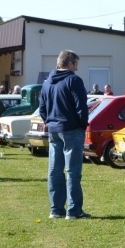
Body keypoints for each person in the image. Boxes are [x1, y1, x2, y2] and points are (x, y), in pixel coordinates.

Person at [38, 50, 91, 219]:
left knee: (55, 170)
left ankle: (56, 209)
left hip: (54, 129)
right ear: (69, 64)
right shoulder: (73, 80)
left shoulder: (47, 82)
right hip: (72, 129)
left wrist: (49, 122)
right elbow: (81, 106)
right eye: (75, 64)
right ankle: (74, 210)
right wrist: (82, 125)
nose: (76, 68)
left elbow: (42, 109)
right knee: (73, 170)